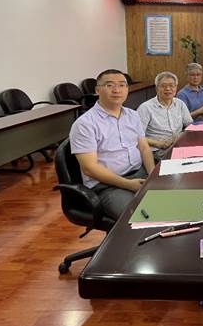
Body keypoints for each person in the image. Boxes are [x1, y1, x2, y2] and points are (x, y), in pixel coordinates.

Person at [69, 69, 155, 220]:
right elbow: (89, 168)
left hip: (139, 173)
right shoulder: (85, 124)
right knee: (141, 217)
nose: (117, 90)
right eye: (109, 85)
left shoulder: (132, 115)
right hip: (108, 185)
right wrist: (129, 184)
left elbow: (144, 147)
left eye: (122, 85)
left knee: (174, 197)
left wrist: (153, 174)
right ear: (97, 90)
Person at [137, 71, 193, 160]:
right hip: (158, 149)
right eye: (163, 86)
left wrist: (182, 135)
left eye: (171, 85)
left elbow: (190, 125)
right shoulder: (145, 108)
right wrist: (158, 143)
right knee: (188, 160)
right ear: (157, 88)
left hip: (179, 144)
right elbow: (137, 136)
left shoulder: (180, 103)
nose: (168, 89)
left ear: (176, 88)